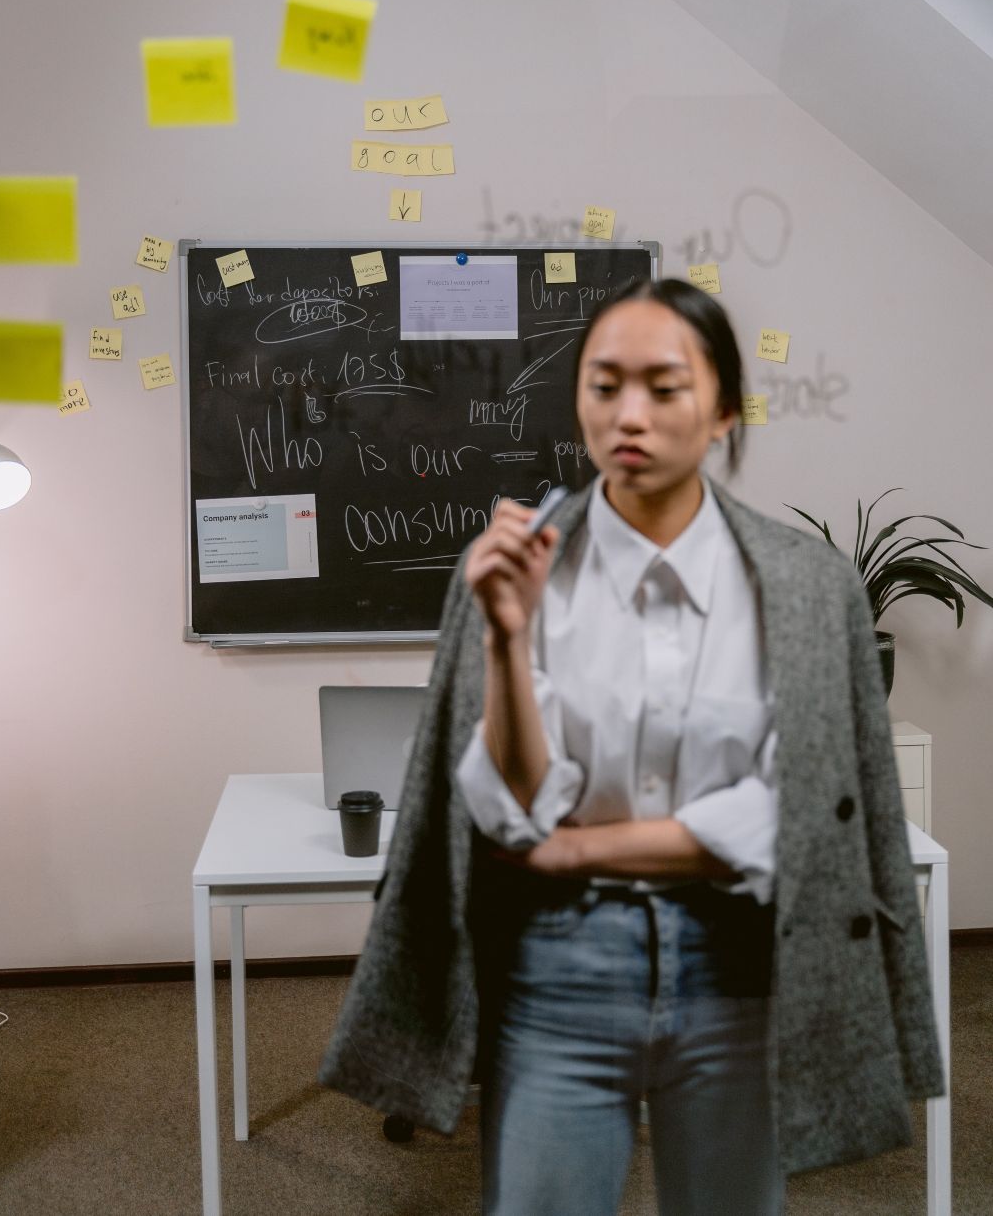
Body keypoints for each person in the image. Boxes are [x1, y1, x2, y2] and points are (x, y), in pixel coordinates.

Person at [319, 279, 944, 1216]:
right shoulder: (515, 565)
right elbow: (512, 805)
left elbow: (795, 807)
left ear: (725, 408)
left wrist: (578, 846)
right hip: (561, 960)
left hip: (739, 959)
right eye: (604, 386)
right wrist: (507, 634)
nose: (630, 415)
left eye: (665, 385)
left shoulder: (808, 586)